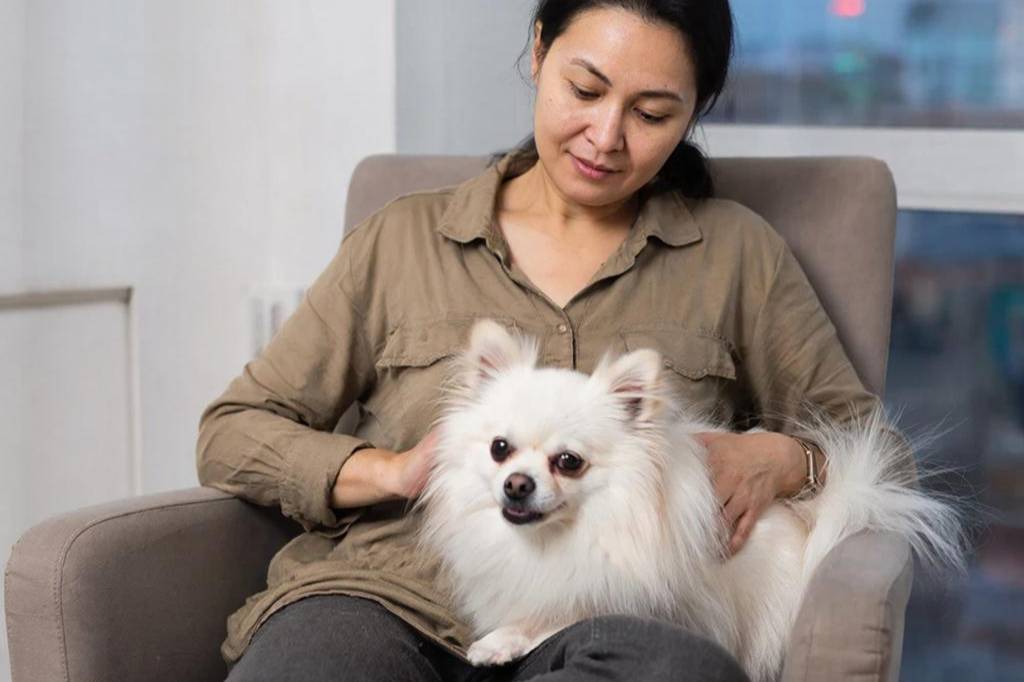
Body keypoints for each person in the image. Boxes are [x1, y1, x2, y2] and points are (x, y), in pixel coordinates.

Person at [197, 1, 896, 680]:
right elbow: (230, 431)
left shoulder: (736, 254)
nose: (606, 135)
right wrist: (391, 470)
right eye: (585, 90)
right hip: (382, 598)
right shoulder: (403, 239)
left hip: (608, 618)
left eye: (651, 114)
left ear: (693, 113)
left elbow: (876, 447)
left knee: (676, 669)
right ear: (538, 52)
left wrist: (787, 460)